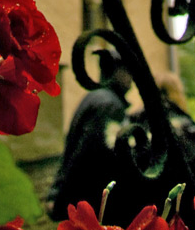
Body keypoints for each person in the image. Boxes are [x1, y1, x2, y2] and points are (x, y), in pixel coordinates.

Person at [46, 48, 134, 222]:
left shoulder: (96, 98)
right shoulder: (109, 105)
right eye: (128, 71)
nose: (131, 79)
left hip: (82, 202)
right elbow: (86, 157)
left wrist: (58, 192)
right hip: (93, 207)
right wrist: (61, 196)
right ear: (117, 71)